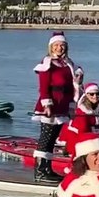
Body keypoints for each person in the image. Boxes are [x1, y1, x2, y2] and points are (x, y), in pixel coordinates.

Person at [32, 31, 80, 183]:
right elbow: (43, 87)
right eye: (57, 45)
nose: (59, 48)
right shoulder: (47, 63)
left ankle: (48, 169)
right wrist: (47, 104)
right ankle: (39, 171)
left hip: (62, 105)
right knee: (45, 138)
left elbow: (72, 87)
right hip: (50, 105)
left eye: (62, 45)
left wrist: (72, 106)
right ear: (51, 47)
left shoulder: (68, 64)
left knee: (53, 139)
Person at [59, 83, 99, 153]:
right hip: (77, 137)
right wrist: (97, 139)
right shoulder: (82, 110)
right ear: (86, 95)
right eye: (92, 94)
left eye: (97, 93)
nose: (95, 96)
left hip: (92, 134)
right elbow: (83, 130)